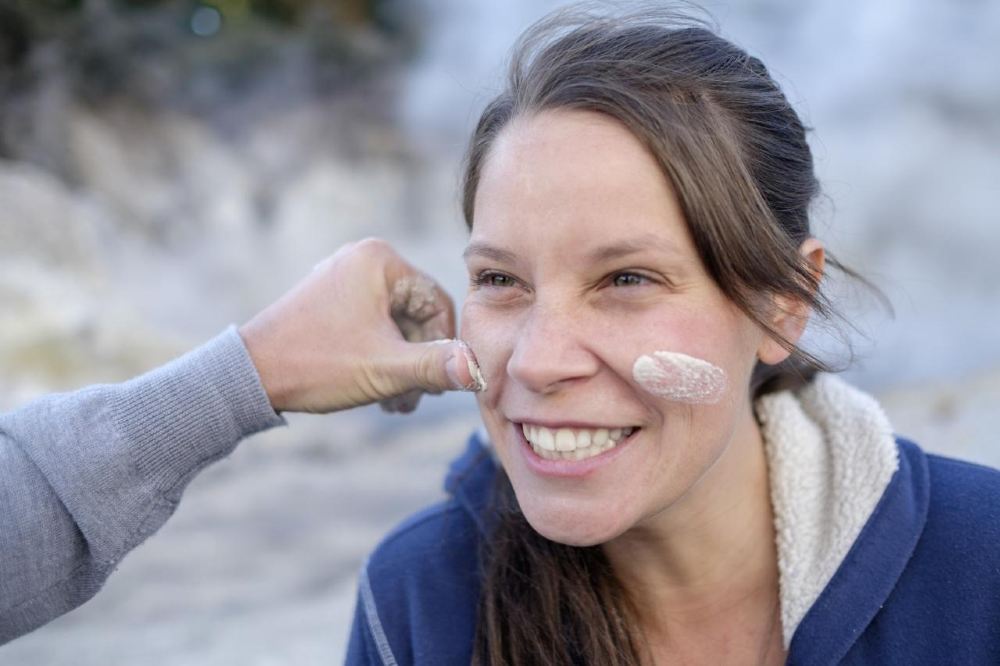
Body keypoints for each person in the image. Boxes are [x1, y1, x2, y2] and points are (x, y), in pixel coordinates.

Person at [345, 6, 1000, 666]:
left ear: (785, 303)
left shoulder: (981, 569)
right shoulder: (416, 605)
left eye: (626, 279)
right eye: (499, 278)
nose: (537, 363)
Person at [0, 238, 485, 645]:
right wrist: (249, 370)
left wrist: (247, 370)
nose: (526, 364)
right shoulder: (413, 586)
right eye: (498, 279)